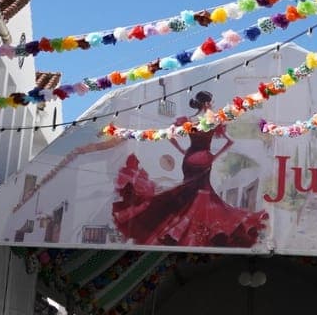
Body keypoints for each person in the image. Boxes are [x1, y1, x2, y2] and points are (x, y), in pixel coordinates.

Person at [112, 91, 269, 248]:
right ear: (207, 103)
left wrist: (183, 150)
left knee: (189, 196)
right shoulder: (214, 120)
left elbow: (170, 135)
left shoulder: (189, 121)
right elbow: (230, 142)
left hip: (189, 158)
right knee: (202, 197)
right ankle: (193, 234)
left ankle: (183, 232)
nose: (213, 104)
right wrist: (214, 156)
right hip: (205, 159)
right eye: (212, 102)